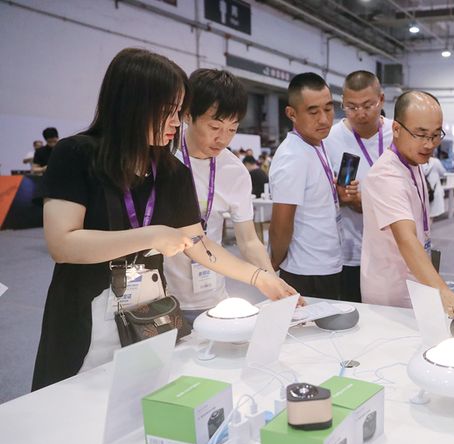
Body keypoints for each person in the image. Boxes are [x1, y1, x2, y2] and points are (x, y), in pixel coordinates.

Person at [31, 49, 295, 390]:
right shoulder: (76, 154)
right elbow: (63, 244)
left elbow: (200, 246)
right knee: (73, 412)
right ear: (132, 105)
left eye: (179, 112)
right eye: (168, 112)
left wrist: (260, 277)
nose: (175, 122)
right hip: (85, 315)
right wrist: (152, 235)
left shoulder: (171, 172)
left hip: (148, 316)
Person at [164, 69, 295, 325]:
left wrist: (272, 279)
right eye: (214, 127)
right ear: (188, 115)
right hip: (163, 298)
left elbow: (247, 240)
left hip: (212, 296)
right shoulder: (165, 162)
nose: (222, 139)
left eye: (232, 129)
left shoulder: (234, 171)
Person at [360, 90, 454, 321]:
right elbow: (406, 239)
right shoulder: (386, 176)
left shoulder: (412, 162)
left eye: (436, 135)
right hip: (392, 293)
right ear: (396, 129)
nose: (429, 144)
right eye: (421, 134)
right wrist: (443, 292)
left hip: (415, 283)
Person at [269, 72, 342, 299]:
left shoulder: (317, 144)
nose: (324, 119)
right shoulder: (293, 156)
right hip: (306, 271)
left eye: (328, 109)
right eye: (313, 112)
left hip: (326, 264)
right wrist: (272, 265)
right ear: (291, 113)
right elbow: (281, 223)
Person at [324, 70, 393, 303]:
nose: (360, 114)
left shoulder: (398, 134)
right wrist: (341, 197)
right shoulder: (330, 139)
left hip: (394, 249)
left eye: (368, 105)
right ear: (342, 103)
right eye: (351, 107)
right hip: (350, 252)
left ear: (381, 100)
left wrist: (362, 202)